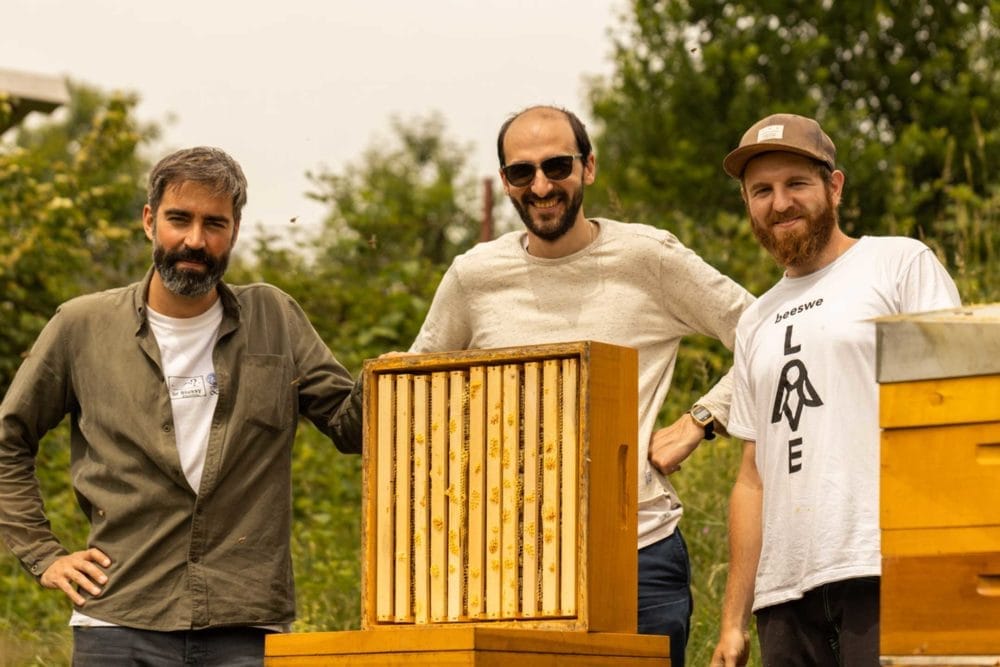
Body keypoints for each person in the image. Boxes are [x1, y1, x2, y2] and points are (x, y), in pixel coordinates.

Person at [408, 105, 755, 666]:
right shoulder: (474, 276)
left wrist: (701, 419)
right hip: (506, 564)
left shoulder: (647, 256)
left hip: (637, 554)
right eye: (522, 173)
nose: (541, 186)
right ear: (505, 183)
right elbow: (419, 389)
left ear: (588, 167)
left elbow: (769, 334)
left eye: (557, 166)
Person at [0, 147, 363, 665]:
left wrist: (401, 369)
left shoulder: (274, 317)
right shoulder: (82, 326)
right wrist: (44, 556)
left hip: (248, 626)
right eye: (179, 219)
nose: (195, 240)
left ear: (234, 230)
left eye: (214, 223)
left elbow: (352, 430)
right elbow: (8, 439)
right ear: (150, 221)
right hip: (119, 622)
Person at [710, 114, 961, 667]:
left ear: (835, 185)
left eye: (795, 184)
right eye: (762, 191)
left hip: (884, 565)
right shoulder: (755, 321)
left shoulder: (898, 264)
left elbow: (955, 411)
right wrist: (733, 619)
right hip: (784, 597)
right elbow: (752, 477)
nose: (780, 203)